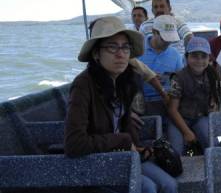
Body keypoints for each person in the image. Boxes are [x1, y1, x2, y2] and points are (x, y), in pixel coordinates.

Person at [64, 16, 178, 193]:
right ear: (96, 53)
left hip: (124, 155)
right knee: (148, 187)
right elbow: (74, 144)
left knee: (170, 185)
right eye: (112, 47)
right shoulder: (83, 85)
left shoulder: (123, 80)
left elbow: (123, 123)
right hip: (96, 162)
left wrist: (136, 145)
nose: (121, 54)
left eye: (125, 47)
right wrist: (123, 140)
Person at [167, 37, 221, 154]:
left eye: (203, 57)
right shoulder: (178, 77)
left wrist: (213, 109)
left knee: (213, 144)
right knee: (176, 151)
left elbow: (215, 102)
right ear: (186, 57)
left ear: (209, 58)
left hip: (200, 117)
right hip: (180, 119)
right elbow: (172, 110)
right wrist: (187, 132)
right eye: (194, 56)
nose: (199, 60)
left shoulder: (212, 76)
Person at [138, 15, 184, 120]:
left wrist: (168, 77)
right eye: (165, 38)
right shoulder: (137, 49)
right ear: (154, 31)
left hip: (167, 102)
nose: (168, 42)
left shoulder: (175, 54)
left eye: (171, 39)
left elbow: (180, 81)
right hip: (140, 103)